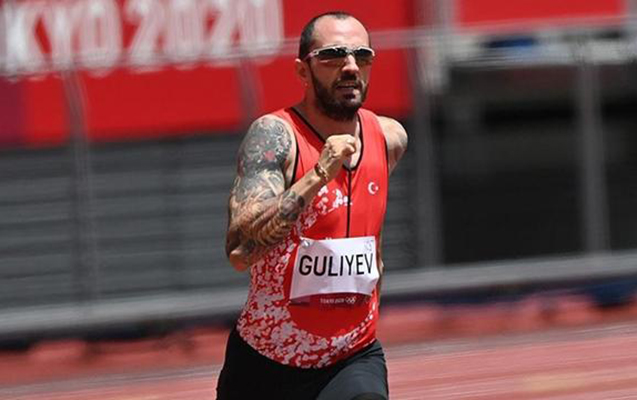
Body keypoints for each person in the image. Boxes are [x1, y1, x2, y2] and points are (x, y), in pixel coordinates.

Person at [217, 10, 408, 400]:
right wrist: (319, 173)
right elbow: (240, 249)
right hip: (265, 363)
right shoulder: (276, 136)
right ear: (303, 71)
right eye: (333, 56)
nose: (350, 66)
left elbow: (370, 242)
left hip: (351, 357)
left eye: (362, 56)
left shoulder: (388, 138)